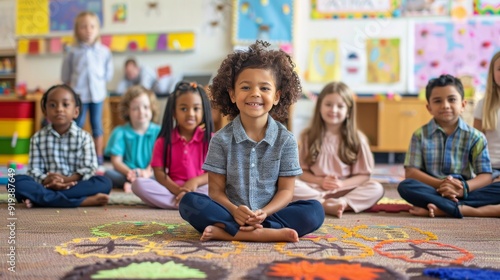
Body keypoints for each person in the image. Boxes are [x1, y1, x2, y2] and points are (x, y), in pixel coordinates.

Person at [178, 41, 324, 243]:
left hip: (270, 214)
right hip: (230, 212)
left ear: (276, 96)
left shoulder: (286, 140)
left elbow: (286, 191)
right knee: (189, 202)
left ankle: (232, 232)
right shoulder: (220, 139)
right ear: (232, 94)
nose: (255, 93)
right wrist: (235, 210)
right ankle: (264, 233)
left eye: (264, 88)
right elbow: (216, 192)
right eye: (246, 87)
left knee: (315, 210)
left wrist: (263, 212)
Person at [398, 74, 500, 218]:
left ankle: (443, 207)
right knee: (406, 186)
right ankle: (455, 207)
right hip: (433, 188)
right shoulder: (419, 135)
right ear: (429, 108)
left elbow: (485, 176)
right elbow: (411, 172)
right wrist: (442, 185)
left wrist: (462, 188)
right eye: (438, 101)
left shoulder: (476, 137)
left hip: (464, 190)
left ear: (463, 105)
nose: (445, 105)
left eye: (452, 100)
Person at [293, 82, 384, 218]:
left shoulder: (358, 139)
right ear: (319, 107)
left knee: (376, 188)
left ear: (348, 111)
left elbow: (364, 175)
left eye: (340, 106)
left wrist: (341, 184)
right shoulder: (308, 136)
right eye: (328, 104)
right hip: (315, 188)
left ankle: (341, 203)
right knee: (290, 185)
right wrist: (320, 182)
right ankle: (325, 203)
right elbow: (302, 172)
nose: (333, 110)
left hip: (346, 190)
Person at [12, 85, 112, 208]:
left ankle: (41, 199)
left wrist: (66, 180)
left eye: (65, 105)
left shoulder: (85, 137)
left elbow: (89, 169)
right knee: (15, 182)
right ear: (45, 111)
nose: (59, 109)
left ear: (76, 112)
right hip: (47, 185)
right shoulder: (37, 138)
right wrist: (47, 180)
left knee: (104, 182)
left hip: (76, 185)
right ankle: (81, 201)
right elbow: (34, 170)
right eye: (53, 105)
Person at [131, 81, 214, 208]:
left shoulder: (212, 140)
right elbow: (159, 172)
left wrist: (195, 182)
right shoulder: (163, 141)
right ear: (174, 112)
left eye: (196, 108)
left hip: (200, 188)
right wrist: (178, 190)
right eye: (183, 109)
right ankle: (188, 203)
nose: (190, 114)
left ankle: (182, 203)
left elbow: (216, 173)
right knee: (138, 184)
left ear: (203, 111)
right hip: (172, 190)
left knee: (224, 186)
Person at [61, 11, 114, 165]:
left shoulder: (104, 51)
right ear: (77, 30)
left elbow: (108, 74)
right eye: (83, 27)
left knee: (97, 125)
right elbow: (65, 75)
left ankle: (98, 156)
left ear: (98, 29)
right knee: (77, 124)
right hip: (79, 96)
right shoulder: (72, 51)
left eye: (92, 26)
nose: (88, 30)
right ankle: (75, 156)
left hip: (97, 95)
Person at [104, 86, 161, 193]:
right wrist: (131, 173)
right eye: (135, 108)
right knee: (108, 174)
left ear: (152, 108)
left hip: (151, 172)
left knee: (165, 175)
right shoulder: (119, 132)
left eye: (145, 107)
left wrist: (147, 172)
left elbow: (160, 159)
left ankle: (136, 184)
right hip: (127, 173)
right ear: (127, 111)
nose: (141, 112)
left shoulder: (159, 132)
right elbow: (116, 161)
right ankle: (138, 183)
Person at [474, 51, 500, 183]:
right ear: (492, 74)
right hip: (490, 170)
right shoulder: (483, 105)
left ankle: (465, 204)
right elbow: (477, 147)